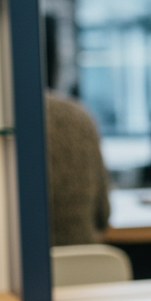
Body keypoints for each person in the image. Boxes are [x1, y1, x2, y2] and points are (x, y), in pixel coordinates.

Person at [45, 90, 111, 246]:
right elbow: (104, 215)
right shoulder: (79, 115)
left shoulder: (10, 115)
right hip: (84, 261)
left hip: (24, 261)